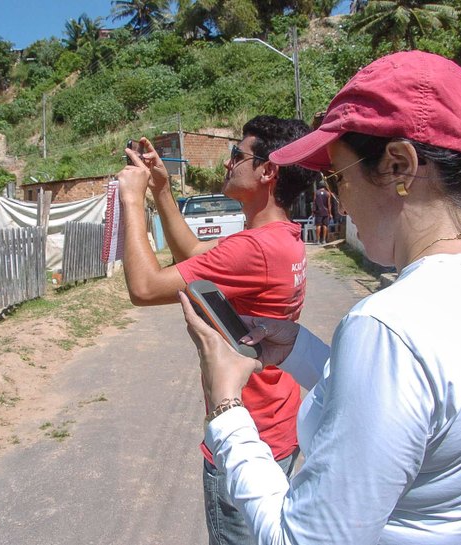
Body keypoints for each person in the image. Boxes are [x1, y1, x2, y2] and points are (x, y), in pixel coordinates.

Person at [179, 50, 461, 544]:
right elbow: (413, 410)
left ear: (399, 165)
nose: (337, 201)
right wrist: (296, 348)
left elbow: (301, 540)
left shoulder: (391, 326)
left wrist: (227, 409)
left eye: (338, 177)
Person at [115, 116, 321, 545]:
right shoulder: (278, 237)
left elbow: (144, 288)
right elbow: (193, 254)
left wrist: (132, 199)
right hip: (278, 422)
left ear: (268, 170)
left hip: (246, 430)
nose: (228, 163)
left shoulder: (254, 248)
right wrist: (162, 190)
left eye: (236, 155)